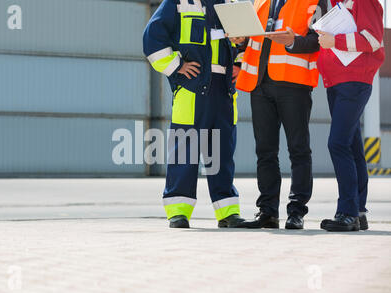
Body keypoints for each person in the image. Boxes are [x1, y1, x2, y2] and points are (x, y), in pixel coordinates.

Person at [143, 0, 246, 228]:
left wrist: (240, 60)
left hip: (224, 89)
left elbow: (247, 41)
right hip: (191, 87)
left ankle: (228, 212)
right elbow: (152, 36)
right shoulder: (179, 2)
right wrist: (176, 65)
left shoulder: (233, 3)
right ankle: (178, 212)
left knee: (222, 153)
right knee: (184, 152)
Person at [230, 0, 327, 230]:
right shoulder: (259, 1)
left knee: (298, 149)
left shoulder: (313, 1)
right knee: (265, 151)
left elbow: (319, 39)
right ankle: (267, 212)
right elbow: (253, 39)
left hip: (293, 84)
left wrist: (293, 42)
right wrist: (240, 41)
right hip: (259, 83)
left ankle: (296, 212)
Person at [317, 0, 385, 232]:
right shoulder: (336, 3)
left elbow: (373, 40)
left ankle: (347, 212)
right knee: (352, 147)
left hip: (353, 83)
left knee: (337, 144)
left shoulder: (364, 1)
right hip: (336, 82)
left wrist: (333, 40)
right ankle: (358, 211)